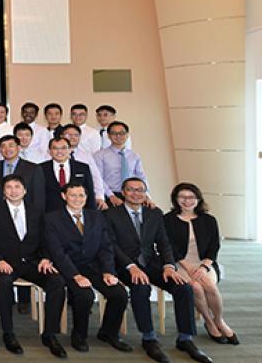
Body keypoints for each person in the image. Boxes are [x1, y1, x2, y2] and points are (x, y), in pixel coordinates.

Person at [105, 179, 213, 363]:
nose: (136, 193)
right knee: (141, 288)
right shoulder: (110, 214)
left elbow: (164, 242)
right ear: (123, 192)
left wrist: (169, 266)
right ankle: (149, 338)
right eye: (131, 190)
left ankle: (185, 339)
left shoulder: (154, 213)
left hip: (152, 263)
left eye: (140, 190)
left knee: (183, 287)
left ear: (145, 192)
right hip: (124, 265)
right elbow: (111, 245)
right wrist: (132, 267)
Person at [43, 182, 130, 354]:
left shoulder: (97, 217)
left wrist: (108, 271)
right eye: (73, 195)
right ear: (64, 196)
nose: (78, 199)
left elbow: (106, 247)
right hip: (67, 268)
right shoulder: (52, 218)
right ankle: (79, 335)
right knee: (85, 295)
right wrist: (76, 276)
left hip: (93, 267)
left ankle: (109, 333)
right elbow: (57, 252)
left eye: (81, 195)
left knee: (119, 293)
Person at [0, 175, 67, 358]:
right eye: (8, 187)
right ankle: (8, 333)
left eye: (17, 186)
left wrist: (46, 258)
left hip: (33, 262)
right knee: (3, 283)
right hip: (6, 263)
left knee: (57, 282)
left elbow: (47, 238)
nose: (13, 190)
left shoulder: (36, 211)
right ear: (3, 191)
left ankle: (50, 334)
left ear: (25, 190)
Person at [164, 183, 238, 346]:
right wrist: (188, 267)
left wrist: (204, 266)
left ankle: (219, 321)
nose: (187, 201)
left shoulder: (209, 220)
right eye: (182, 197)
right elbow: (169, 246)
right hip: (179, 263)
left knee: (210, 285)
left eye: (191, 197)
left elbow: (214, 246)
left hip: (204, 262)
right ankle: (208, 322)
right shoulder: (167, 219)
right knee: (195, 287)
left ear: (198, 199)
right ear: (176, 199)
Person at [94, 121, 152, 207]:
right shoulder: (99, 155)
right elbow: (98, 179)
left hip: (133, 195)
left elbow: (141, 176)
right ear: (108, 135)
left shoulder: (134, 155)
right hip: (111, 195)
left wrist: (146, 195)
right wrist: (111, 196)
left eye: (121, 133)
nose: (118, 136)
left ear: (127, 135)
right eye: (114, 133)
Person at [40, 137, 96, 212]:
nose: (59, 151)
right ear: (49, 151)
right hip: (50, 213)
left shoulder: (83, 168)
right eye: (55, 148)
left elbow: (90, 193)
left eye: (63, 148)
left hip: (77, 212)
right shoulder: (40, 169)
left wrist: (92, 214)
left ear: (70, 150)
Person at [61, 124, 109, 210]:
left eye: (76, 135)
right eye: (69, 135)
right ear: (61, 136)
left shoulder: (86, 156)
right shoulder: (54, 155)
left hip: (81, 200)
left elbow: (96, 177)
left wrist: (100, 197)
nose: (72, 137)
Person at [0, 135, 46, 208]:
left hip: (25, 211)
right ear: (0, 150)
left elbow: (38, 197)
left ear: (18, 148)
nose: (7, 149)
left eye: (11, 146)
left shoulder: (33, 169)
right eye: (3, 146)